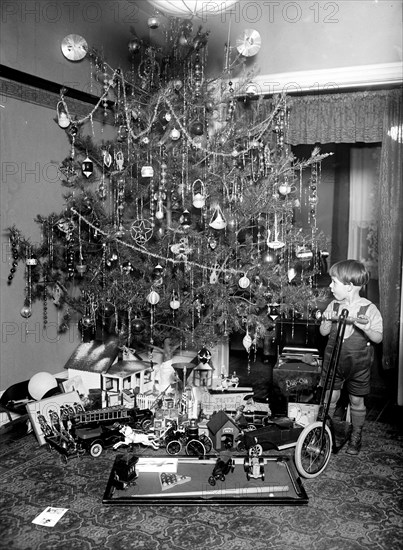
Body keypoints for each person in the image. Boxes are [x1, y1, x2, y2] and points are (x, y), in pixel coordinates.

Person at [319, 259, 383, 455]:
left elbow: (378, 338)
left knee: (356, 400)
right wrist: (326, 321)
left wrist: (367, 328)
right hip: (334, 362)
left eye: (334, 282)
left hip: (358, 365)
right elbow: (323, 333)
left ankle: (356, 434)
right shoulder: (334, 305)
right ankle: (324, 432)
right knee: (330, 397)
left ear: (349, 286)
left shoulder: (369, 309)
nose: (330, 286)